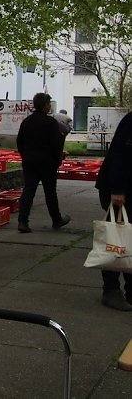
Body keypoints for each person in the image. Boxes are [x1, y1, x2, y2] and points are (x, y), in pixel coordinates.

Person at [16, 92, 70, 233]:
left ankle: (22, 221)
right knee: (50, 192)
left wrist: (25, 155)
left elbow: (19, 142)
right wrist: (58, 159)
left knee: (28, 190)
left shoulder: (26, 122)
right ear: (46, 105)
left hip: (29, 161)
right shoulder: (50, 122)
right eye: (49, 103)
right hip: (47, 162)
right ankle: (56, 219)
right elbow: (56, 144)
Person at [94, 111, 132, 311]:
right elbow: (119, 155)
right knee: (116, 241)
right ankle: (111, 290)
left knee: (127, 241)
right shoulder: (131, 121)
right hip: (120, 192)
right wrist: (117, 189)